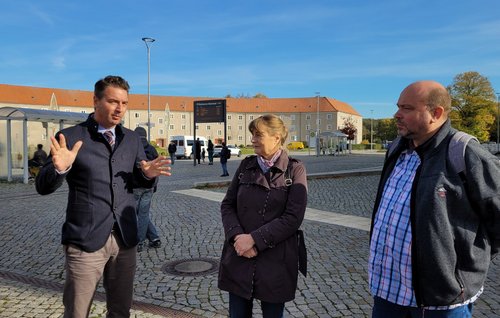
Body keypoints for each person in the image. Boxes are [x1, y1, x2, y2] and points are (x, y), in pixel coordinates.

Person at [35, 75, 171, 318]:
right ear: (95, 101)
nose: (120, 109)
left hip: (125, 239)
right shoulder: (71, 137)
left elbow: (135, 181)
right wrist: (59, 168)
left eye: (125, 103)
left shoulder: (131, 139)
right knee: (77, 311)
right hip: (85, 239)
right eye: (113, 101)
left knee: (120, 311)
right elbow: (43, 186)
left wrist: (147, 175)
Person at [368, 80, 500, 318]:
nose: (396, 115)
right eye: (398, 107)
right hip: (387, 290)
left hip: (441, 300)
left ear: (436, 113)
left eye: (406, 108)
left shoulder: (464, 152)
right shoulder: (397, 149)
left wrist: (464, 263)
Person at [218, 114, 308, 318]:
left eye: (258, 135)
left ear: (277, 137)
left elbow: (293, 218)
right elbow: (227, 204)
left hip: (275, 261)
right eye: (252, 134)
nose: (253, 139)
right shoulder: (245, 166)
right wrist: (237, 238)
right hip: (240, 255)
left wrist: (254, 241)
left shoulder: (295, 169)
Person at [134, 127, 162, 252]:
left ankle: (139, 241)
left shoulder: (133, 149)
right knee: (143, 214)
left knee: (136, 214)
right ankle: (154, 238)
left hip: (135, 187)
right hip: (149, 187)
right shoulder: (152, 149)